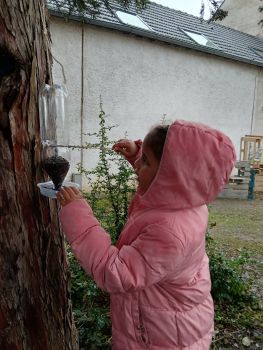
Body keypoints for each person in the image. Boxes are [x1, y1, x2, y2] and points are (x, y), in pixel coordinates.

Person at [57, 120, 236, 349]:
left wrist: (78, 215)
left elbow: (116, 273)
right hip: (168, 325)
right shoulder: (187, 200)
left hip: (162, 338)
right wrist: (137, 155)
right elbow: (162, 178)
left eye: (146, 161)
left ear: (170, 176)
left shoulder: (169, 232)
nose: (139, 164)